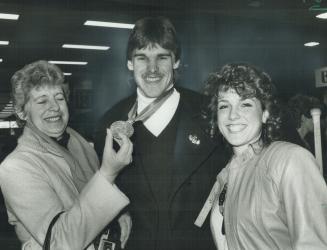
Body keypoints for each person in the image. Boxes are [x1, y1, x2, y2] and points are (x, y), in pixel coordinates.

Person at [94, 16, 227, 250]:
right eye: (142, 58)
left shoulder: (211, 114)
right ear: (129, 63)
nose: (152, 69)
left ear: (176, 62)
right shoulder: (109, 123)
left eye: (162, 57)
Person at [0, 60, 133, 250]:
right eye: (42, 101)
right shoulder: (15, 168)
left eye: (59, 98)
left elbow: (95, 194)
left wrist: (117, 213)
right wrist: (108, 173)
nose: (54, 107)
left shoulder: (76, 140)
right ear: (22, 112)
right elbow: (59, 243)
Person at [202, 62, 327, 249]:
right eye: (224, 106)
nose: (232, 115)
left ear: (265, 114)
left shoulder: (290, 161)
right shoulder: (226, 174)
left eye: (245, 104)